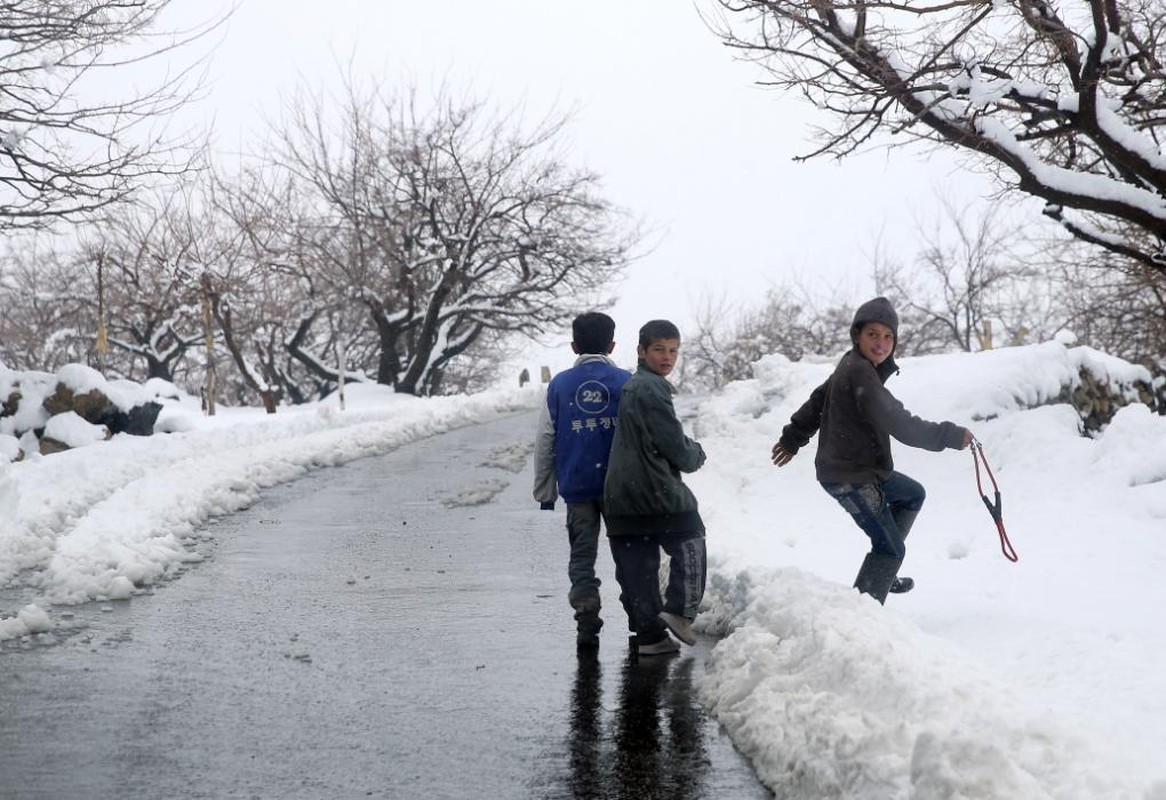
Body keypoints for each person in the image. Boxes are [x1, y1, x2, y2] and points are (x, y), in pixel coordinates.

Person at [771, 297, 973, 604]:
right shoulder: (859, 372)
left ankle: (883, 568)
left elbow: (816, 403)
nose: (881, 342)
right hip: (849, 477)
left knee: (912, 494)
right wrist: (949, 435)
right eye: (872, 334)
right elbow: (900, 422)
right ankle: (864, 612)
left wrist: (792, 438)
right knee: (893, 548)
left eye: (888, 336)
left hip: (866, 471)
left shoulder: (853, 364)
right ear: (857, 335)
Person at [603, 320, 707, 656]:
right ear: (641, 351)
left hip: (620, 496)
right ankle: (679, 612)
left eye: (673, 350)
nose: (667, 357)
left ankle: (650, 638)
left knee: (638, 568)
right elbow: (673, 443)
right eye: (659, 349)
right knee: (690, 536)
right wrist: (695, 453)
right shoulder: (651, 388)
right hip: (653, 491)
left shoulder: (635, 386)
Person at [534, 312, 631, 649]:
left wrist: (545, 490)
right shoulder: (626, 381)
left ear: (574, 345)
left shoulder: (559, 385)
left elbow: (546, 437)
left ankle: (586, 611)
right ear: (612, 344)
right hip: (619, 487)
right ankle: (637, 614)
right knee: (626, 552)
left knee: (581, 555)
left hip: (577, 486)